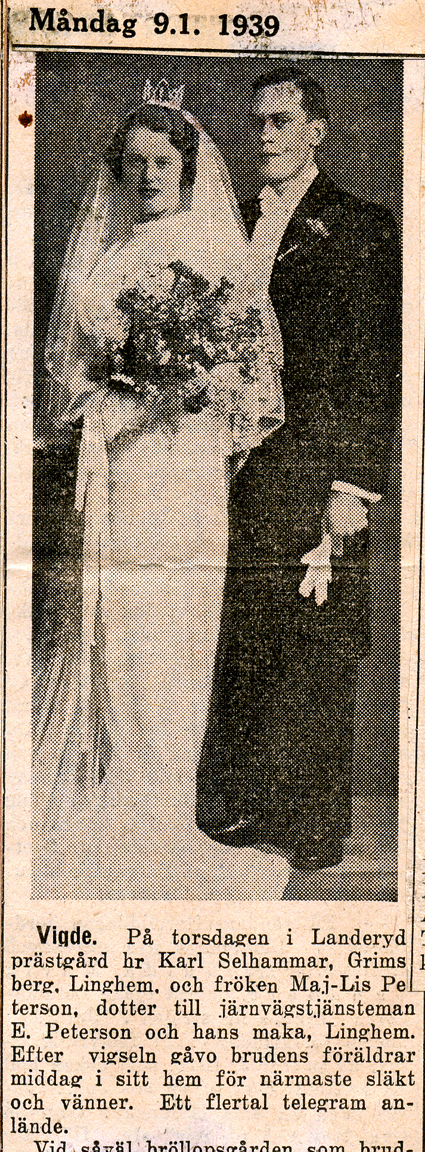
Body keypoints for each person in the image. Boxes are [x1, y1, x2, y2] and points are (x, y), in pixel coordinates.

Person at [32, 85, 293, 899]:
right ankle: (110, 791)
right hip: (113, 469)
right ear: (119, 171)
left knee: (165, 636)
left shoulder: (211, 249)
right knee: (111, 628)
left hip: (176, 474)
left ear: (187, 168)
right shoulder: (106, 251)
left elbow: (238, 383)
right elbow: (70, 375)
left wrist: (160, 390)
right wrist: (105, 400)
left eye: (162, 162)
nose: (147, 175)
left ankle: (157, 806)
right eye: (135, 162)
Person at [197, 68, 401, 873]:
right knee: (252, 633)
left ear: (316, 130)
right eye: (257, 123)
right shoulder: (233, 220)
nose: (265, 136)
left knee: (317, 638)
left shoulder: (361, 224)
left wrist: (352, 487)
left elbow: (375, 365)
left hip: (319, 464)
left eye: (281, 121)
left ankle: (316, 821)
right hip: (242, 465)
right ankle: (251, 801)